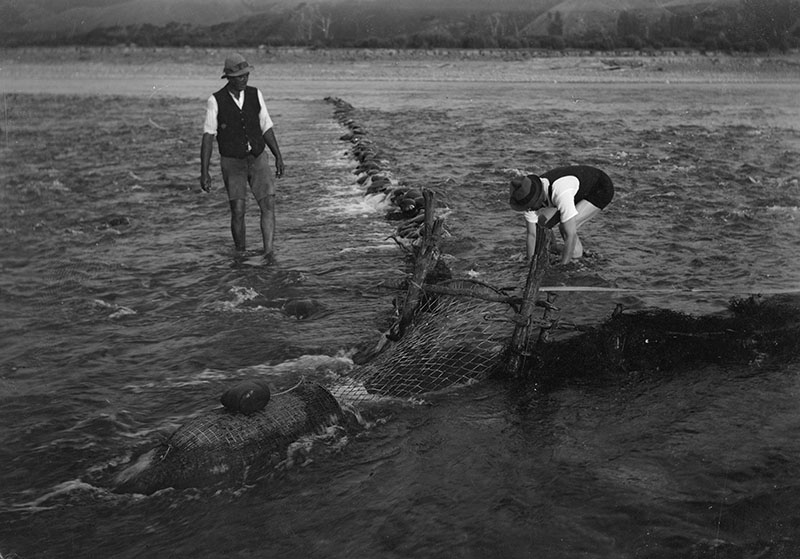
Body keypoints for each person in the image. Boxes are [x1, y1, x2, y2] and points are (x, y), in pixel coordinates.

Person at [200, 53, 285, 261]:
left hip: (257, 157)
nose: (244, 79)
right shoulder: (215, 100)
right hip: (232, 161)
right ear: (228, 77)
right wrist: (204, 173)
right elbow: (208, 137)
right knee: (238, 210)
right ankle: (240, 255)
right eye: (239, 76)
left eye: (246, 75)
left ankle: (268, 253)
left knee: (268, 204)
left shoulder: (256, 94)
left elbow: (266, 127)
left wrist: (278, 156)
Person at [509, 165, 614, 265]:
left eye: (531, 205)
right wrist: (530, 262)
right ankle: (553, 249)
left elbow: (571, 235)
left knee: (565, 227)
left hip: (599, 187)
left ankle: (577, 257)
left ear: (538, 197)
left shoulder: (560, 192)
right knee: (541, 224)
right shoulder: (526, 194)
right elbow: (532, 235)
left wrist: (563, 266)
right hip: (574, 190)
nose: (529, 209)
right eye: (527, 206)